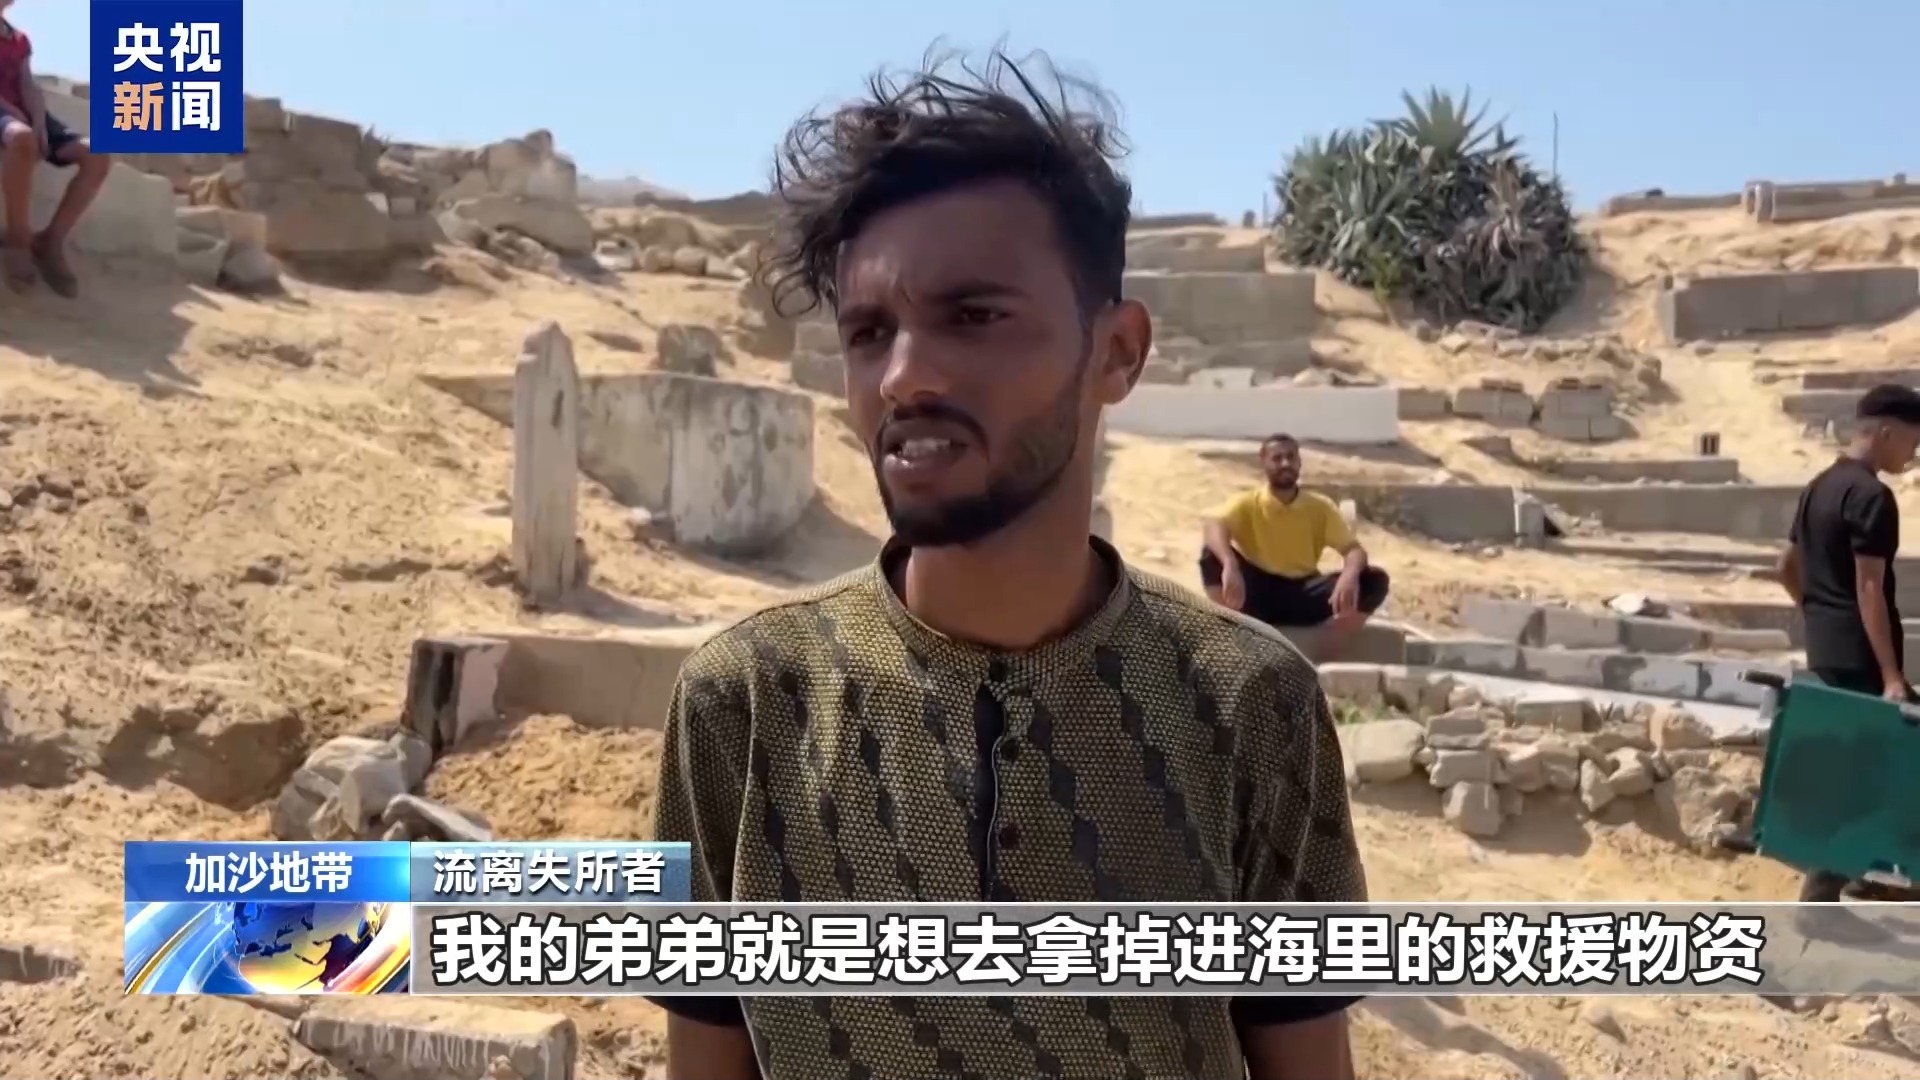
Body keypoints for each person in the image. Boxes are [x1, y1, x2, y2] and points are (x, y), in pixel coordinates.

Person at [647, 47, 1367, 1080]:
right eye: (868, 332)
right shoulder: (744, 704)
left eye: (974, 316)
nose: (902, 377)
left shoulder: (1253, 705)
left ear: (1116, 352)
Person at [1777, 382, 1920, 903]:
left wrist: (1817, 613)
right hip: (1863, 659)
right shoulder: (1871, 497)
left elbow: (1785, 567)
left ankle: (1871, 875)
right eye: (1914, 441)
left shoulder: (1819, 487)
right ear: (1886, 432)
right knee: (1882, 766)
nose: (1914, 455)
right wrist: (1891, 676)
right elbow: (1869, 587)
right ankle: (1821, 896)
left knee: (1870, 765)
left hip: (1829, 651)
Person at [1199, 433, 1390, 657]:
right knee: (1211, 555)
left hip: (1304, 594)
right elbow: (1213, 527)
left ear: (1299, 462)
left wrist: (1349, 574)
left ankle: (1331, 647)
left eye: (1291, 457)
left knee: (1374, 579)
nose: (1285, 463)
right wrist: (1230, 564)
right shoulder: (1247, 502)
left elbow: (1353, 550)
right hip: (1257, 594)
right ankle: (1230, 629)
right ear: (1264, 461)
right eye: (1277, 458)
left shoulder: (1320, 506)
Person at [0, 2, 113, 298]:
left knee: (97, 154)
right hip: (4, 113)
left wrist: (38, 122)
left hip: (24, 114)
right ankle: (17, 240)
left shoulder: (18, 39)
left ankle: (50, 241)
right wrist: (17, 116)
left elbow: (27, 84)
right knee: (21, 138)